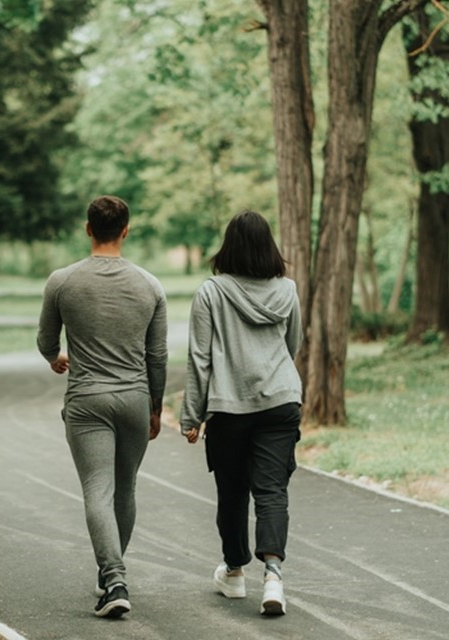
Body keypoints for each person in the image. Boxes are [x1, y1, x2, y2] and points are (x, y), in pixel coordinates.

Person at [37, 195, 168, 619]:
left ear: (88, 229)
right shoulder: (150, 285)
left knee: (98, 489)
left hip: (87, 400)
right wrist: (155, 407)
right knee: (124, 488)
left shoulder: (62, 281)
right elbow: (157, 356)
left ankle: (113, 578)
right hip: (134, 398)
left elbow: (46, 340)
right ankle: (112, 574)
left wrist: (56, 358)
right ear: (125, 230)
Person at [180, 209, 302, 616]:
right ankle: (273, 577)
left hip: (229, 407)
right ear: (269, 247)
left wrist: (191, 415)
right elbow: (293, 344)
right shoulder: (288, 290)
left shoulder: (211, 293)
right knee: (272, 490)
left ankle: (234, 573)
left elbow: (199, 358)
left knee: (232, 492)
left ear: (228, 247)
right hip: (280, 401)